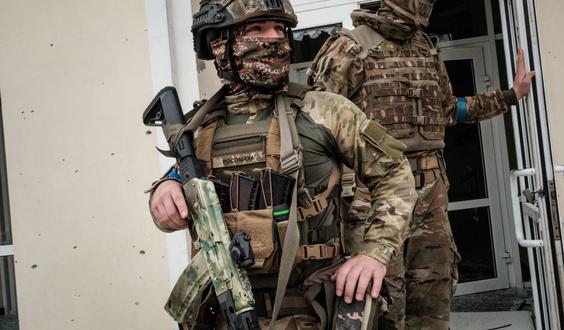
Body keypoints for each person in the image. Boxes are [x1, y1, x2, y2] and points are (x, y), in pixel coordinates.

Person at [147, 0, 417, 328]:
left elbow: (395, 173)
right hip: (226, 310)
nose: (274, 38)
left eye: (280, 29)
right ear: (219, 43)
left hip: (312, 307)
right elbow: (179, 197)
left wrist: (375, 252)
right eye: (258, 29)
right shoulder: (197, 129)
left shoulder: (325, 111)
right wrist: (164, 191)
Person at [307, 1, 535, 329]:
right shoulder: (349, 48)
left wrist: (511, 95)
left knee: (434, 296)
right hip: (374, 199)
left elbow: (446, 109)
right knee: (382, 304)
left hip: (430, 197)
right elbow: (317, 127)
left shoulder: (425, 48)